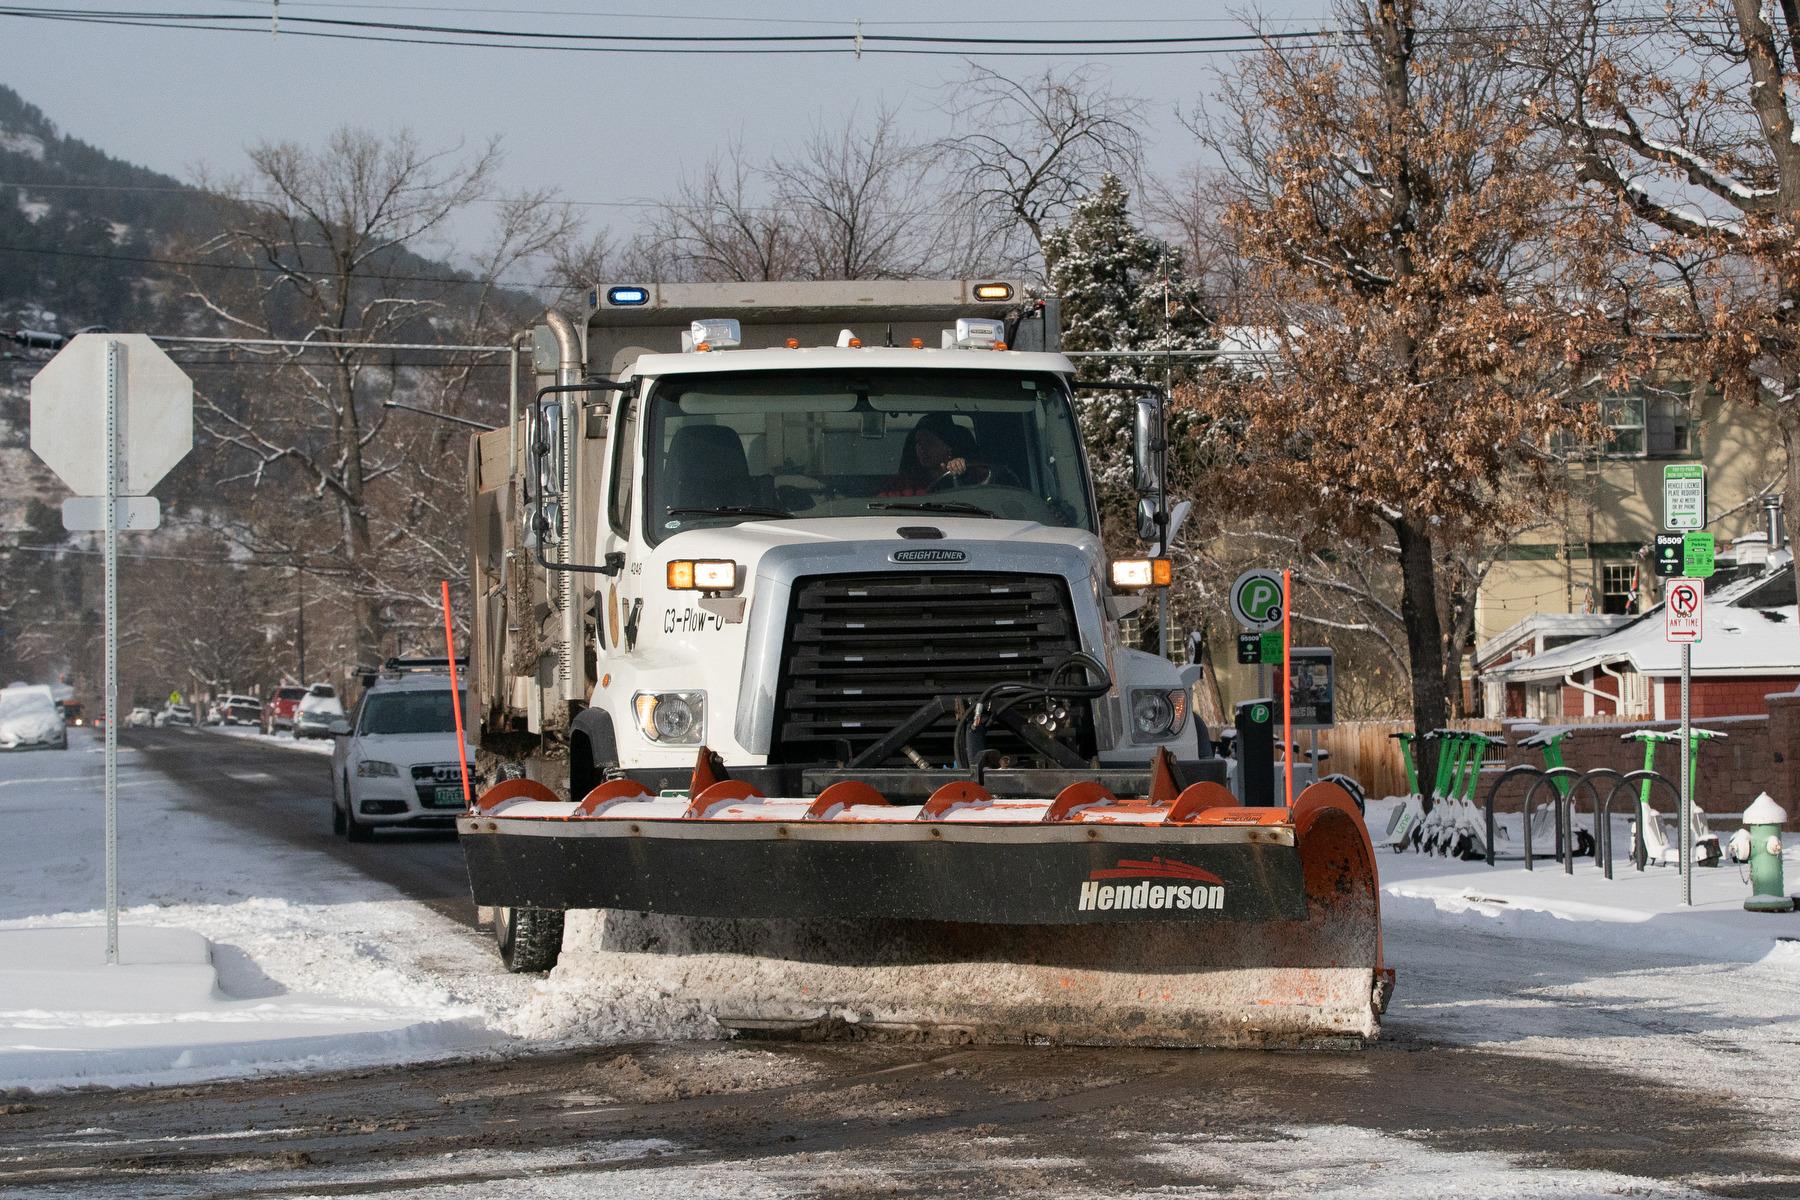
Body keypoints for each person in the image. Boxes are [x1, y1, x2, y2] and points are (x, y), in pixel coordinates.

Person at [880, 413, 988, 496]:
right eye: (918, 442)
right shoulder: (903, 483)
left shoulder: (974, 475)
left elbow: (990, 493)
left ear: (948, 446)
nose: (921, 448)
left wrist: (964, 472)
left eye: (929, 442)